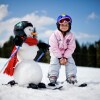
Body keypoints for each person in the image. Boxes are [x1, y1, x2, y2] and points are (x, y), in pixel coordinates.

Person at [48, 14, 77, 86]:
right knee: (54, 62)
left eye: (66, 25)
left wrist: (66, 57)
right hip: (56, 53)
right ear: (58, 25)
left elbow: (71, 47)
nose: (64, 27)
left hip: (67, 54)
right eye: (62, 25)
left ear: (69, 26)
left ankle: (71, 77)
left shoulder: (71, 35)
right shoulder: (54, 35)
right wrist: (60, 57)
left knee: (71, 62)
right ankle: (53, 76)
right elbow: (54, 47)